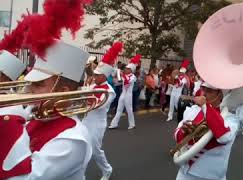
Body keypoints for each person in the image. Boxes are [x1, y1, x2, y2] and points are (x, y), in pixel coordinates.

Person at [0, 40, 93, 180]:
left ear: (62, 91)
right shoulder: (38, 115)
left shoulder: (72, 139)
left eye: (37, 85)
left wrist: (10, 124)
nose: (28, 90)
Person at [174, 82, 239, 180]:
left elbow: (224, 137)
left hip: (210, 175)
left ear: (220, 94)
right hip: (185, 172)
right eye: (203, 89)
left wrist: (205, 106)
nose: (203, 93)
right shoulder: (192, 110)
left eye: (209, 91)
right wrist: (184, 131)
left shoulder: (230, 119)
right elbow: (176, 135)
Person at [82, 42, 122, 180]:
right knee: (82, 147)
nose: (95, 76)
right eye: (95, 74)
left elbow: (95, 104)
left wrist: (85, 93)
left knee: (95, 151)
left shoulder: (109, 91)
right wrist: (85, 87)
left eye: (98, 75)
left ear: (105, 76)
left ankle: (107, 169)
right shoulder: (93, 84)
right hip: (85, 120)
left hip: (96, 124)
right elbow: (83, 95)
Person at [109, 55, 140, 130]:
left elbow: (127, 83)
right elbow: (117, 81)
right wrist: (116, 75)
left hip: (128, 95)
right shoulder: (124, 75)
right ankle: (114, 124)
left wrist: (122, 75)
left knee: (129, 110)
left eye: (127, 68)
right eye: (126, 68)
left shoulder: (133, 77)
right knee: (119, 110)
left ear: (131, 70)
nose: (125, 69)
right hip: (123, 94)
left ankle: (132, 124)